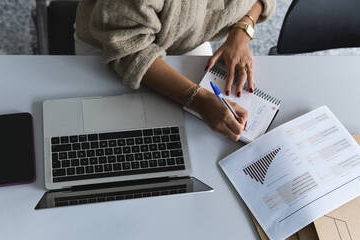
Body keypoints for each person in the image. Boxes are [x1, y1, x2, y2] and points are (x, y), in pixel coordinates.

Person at [75, 0, 275, 141]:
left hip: (186, 39)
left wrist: (243, 30)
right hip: (111, 46)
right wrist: (198, 99)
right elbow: (128, 49)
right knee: (113, 139)